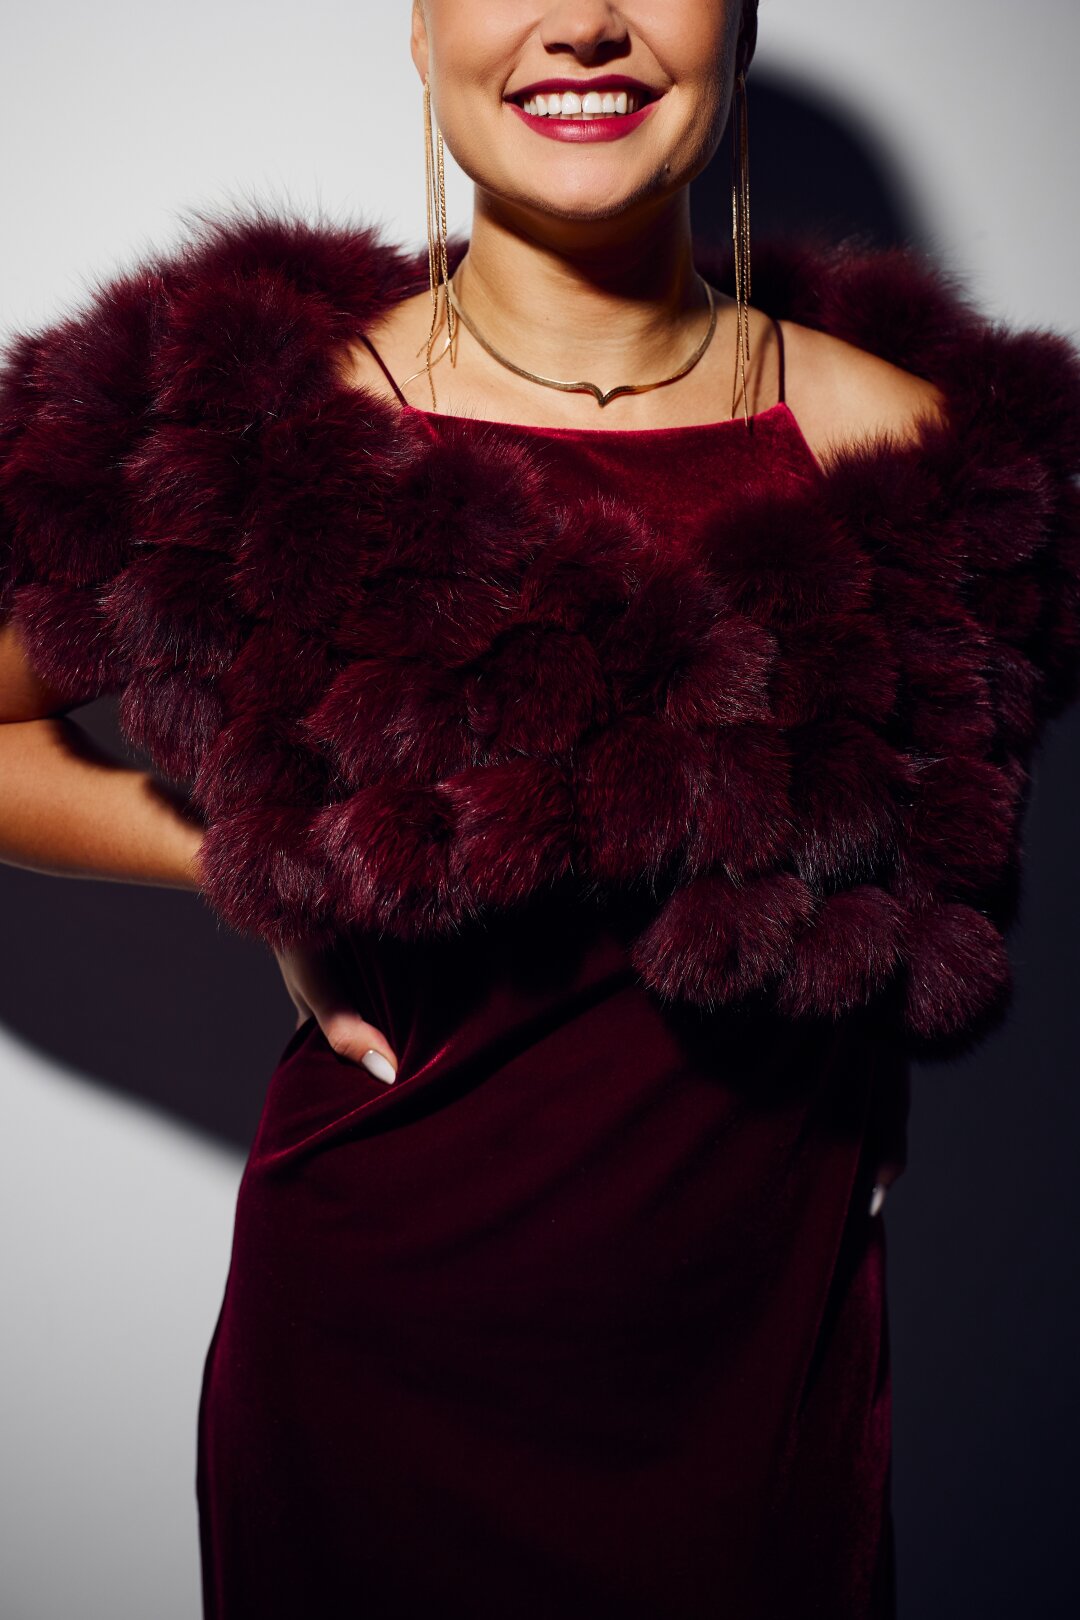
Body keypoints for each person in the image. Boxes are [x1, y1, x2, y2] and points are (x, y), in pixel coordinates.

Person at [1, 1, 1078, 1616]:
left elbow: (929, 872)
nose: (583, 21)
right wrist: (253, 856)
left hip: (756, 1378)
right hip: (376, 1360)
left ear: (740, 23)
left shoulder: (911, 451)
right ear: (423, 25)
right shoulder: (255, 436)